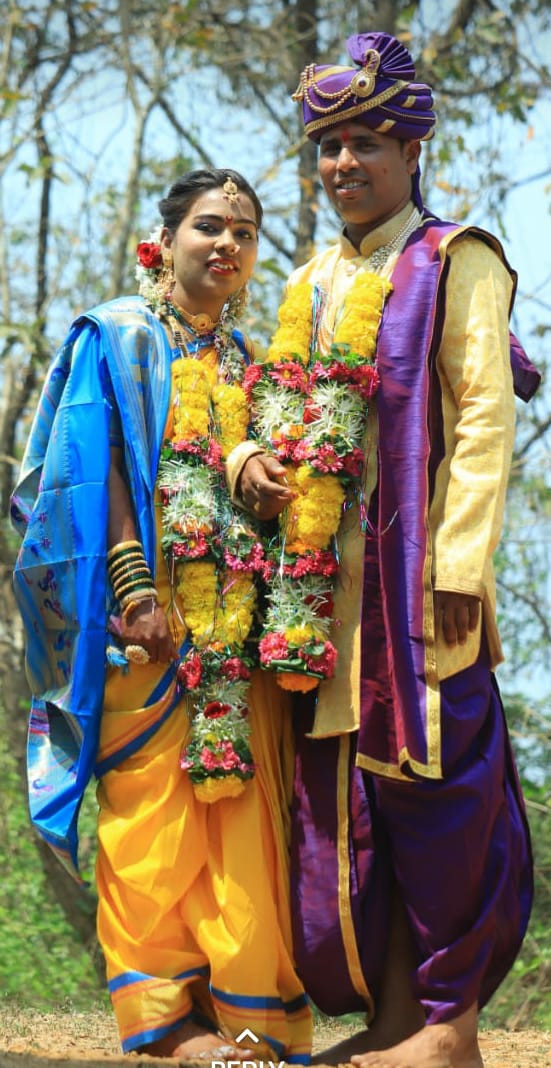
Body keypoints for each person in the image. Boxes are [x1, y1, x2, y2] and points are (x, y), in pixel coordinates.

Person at [234, 33, 538, 1068]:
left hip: (417, 592)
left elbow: (483, 416)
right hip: (320, 595)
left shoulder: (457, 258)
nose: (342, 164)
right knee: (353, 809)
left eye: (364, 143)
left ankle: (452, 1028)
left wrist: (458, 566)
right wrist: (249, 461)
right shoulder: (310, 278)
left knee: (438, 793)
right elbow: (270, 409)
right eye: (327, 147)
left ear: (411, 151)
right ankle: (395, 1021)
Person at [10, 168, 312, 1062]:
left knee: (243, 819)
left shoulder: (251, 359)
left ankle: (245, 1018)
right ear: (166, 238)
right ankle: (164, 1024)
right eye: (209, 226)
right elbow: (87, 462)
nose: (227, 244)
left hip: (234, 630)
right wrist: (134, 586)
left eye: (244, 233)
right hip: (143, 621)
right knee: (150, 820)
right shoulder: (118, 335)